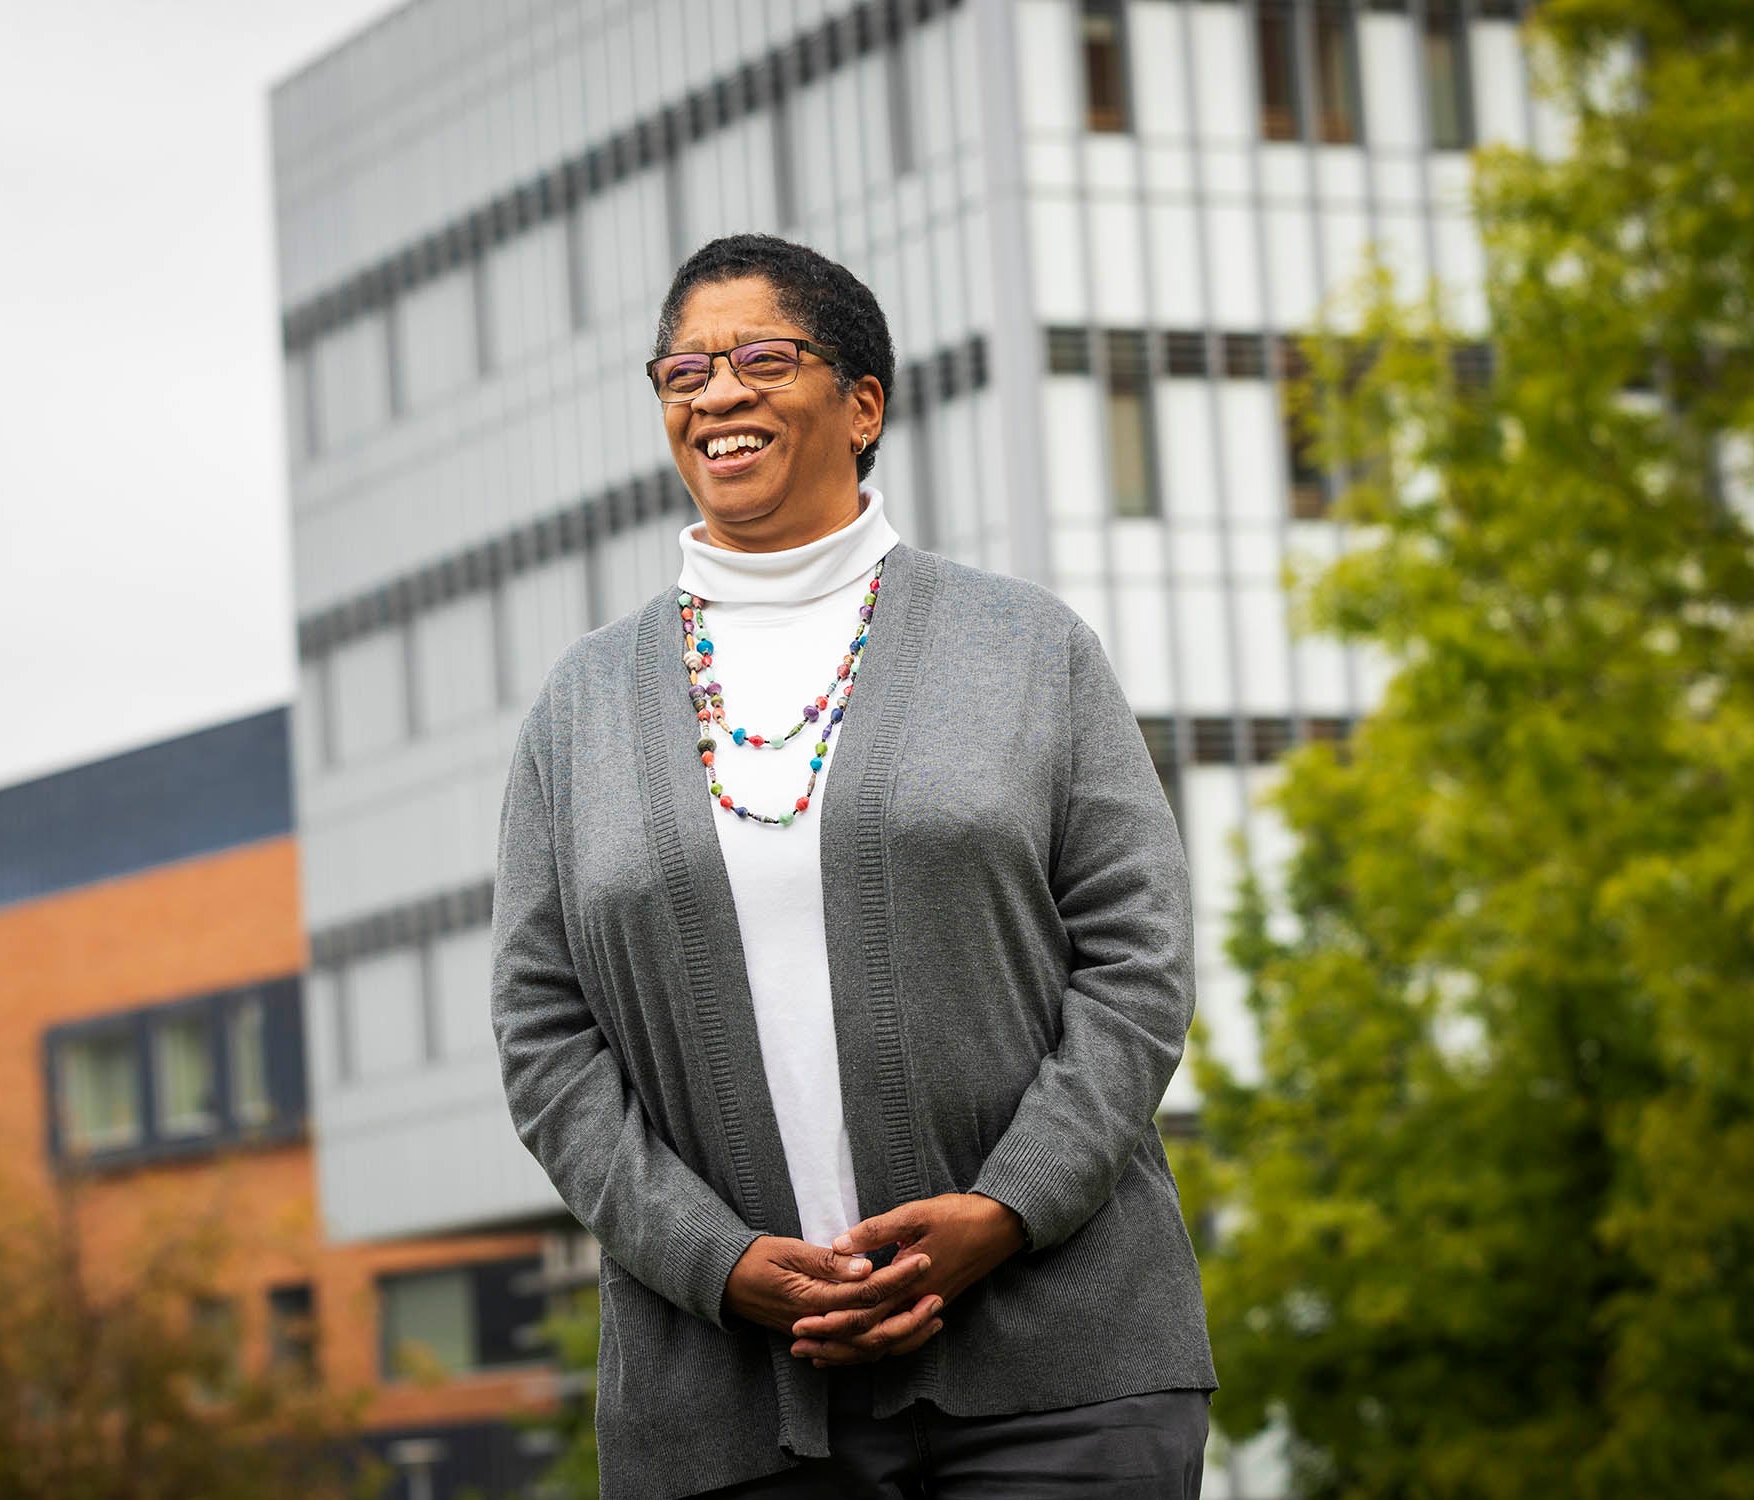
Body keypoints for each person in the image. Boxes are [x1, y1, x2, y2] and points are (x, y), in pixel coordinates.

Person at [490, 232, 1214, 1500]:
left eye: (766, 356)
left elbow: (1139, 960)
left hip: (1060, 1374)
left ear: (863, 403)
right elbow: (544, 1036)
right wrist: (714, 1260)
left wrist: (1005, 1210)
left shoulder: (1028, 647)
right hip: (720, 1410)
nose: (718, 393)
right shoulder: (580, 709)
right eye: (685, 372)